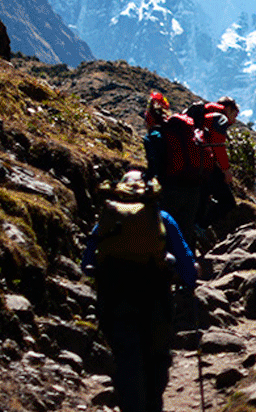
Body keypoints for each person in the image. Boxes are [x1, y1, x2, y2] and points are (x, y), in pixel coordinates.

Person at [81, 170, 198, 412]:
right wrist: (189, 280)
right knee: (158, 356)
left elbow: (87, 260)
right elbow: (185, 257)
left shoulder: (109, 215)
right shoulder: (160, 216)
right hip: (155, 293)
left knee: (123, 355)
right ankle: (153, 404)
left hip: (114, 294)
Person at [195, 97, 240, 232]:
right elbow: (218, 146)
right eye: (234, 114)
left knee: (202, 197)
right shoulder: (219, 118)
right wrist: (226, 170)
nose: (234, 120)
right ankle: (201, 227)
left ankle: (195, 226)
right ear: (227, 109)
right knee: (228, 202)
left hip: (194, 163)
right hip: (205, 165)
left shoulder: (203, 115)